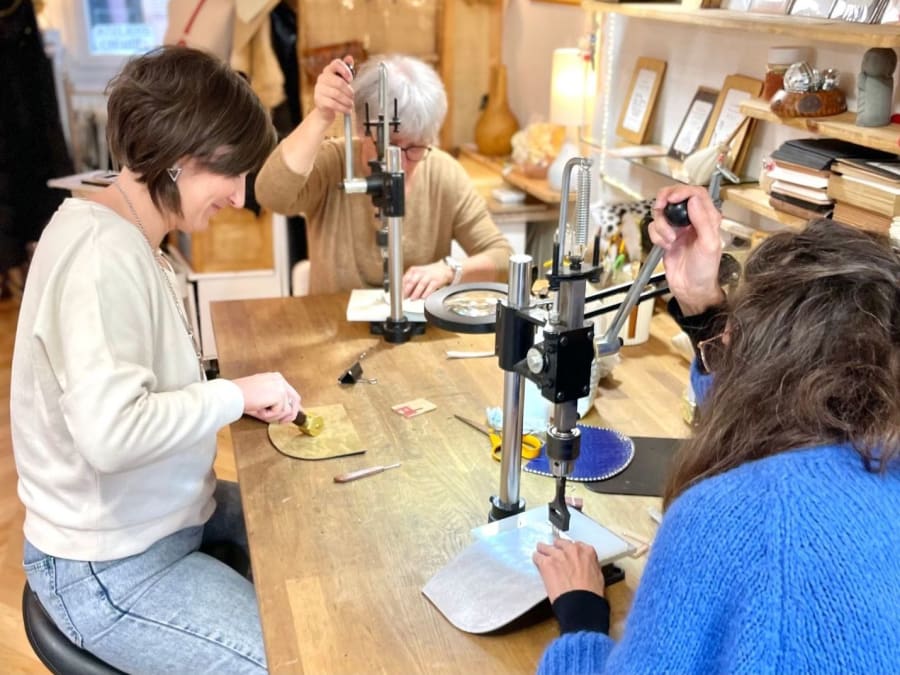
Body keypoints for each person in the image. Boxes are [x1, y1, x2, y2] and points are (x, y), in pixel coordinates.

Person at [11, 46, 304, 674]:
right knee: (294, 657)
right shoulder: (100, 259)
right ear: (178, 160)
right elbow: (113, 434)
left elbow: (148, 380)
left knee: (314, 531)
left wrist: (235, 390)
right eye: (231, 173)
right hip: (110, 564)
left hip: (167, 517)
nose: (239, 195)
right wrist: (234, 396)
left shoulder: (137, 239)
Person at [533, 184, 900, 673]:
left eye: (736, 325)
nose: (723, 336)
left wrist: (581, 614)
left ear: (765, 355)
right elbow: (773, 428)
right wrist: (704, 309)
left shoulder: (729, 519)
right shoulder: (875, 447)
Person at [254, 53, 514, 299]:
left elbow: (503, 258)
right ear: (362, 131)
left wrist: (449, 270)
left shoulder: (442, 172)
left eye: (414, 148)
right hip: (334, 326)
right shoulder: (333, 162)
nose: (399, 162)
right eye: (389, 146)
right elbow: (270, 196)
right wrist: (321, 114)